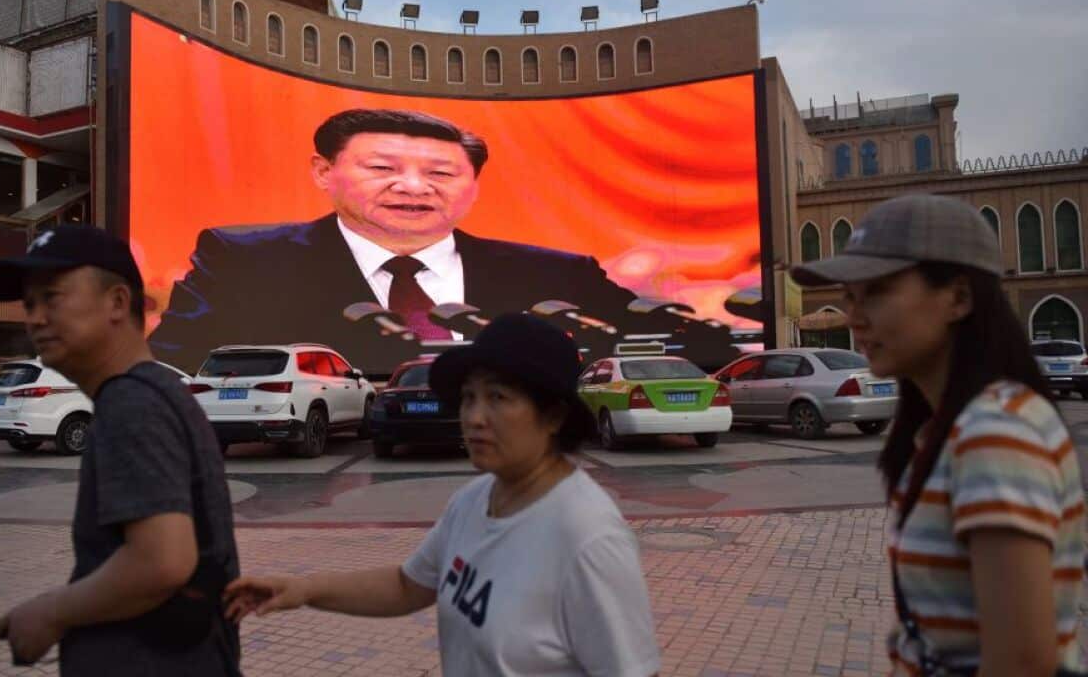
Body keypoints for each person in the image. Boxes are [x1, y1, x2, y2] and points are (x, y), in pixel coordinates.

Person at [222, 312, 661, 676]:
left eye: (498, 398)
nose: (474, 417)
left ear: (553, 416)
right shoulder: (474, 500)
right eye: (469, 398)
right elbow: (407, 586)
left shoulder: (588, 538)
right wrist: (304, 589)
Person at [147, 108, 741, 374]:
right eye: (383, 168)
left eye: (440, 173)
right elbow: (177, 361)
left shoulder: (558, 275)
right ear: (324, 174)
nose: (413, 188)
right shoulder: (244, 259)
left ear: (473, 185)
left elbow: (644, 342)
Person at [791, 193, 1086, 675]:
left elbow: (1024, 663)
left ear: (960, 296)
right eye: (850, 296)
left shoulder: (996, 432)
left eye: (878, 291)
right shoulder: (944, 431)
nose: (855, 317)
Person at [0, 225, 242, 675]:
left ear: (118, 302)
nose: (36, 318)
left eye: (53, 297)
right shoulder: (156, 392)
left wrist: (49, 612)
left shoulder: (131, 402)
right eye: (30, 304)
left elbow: (161, 560)